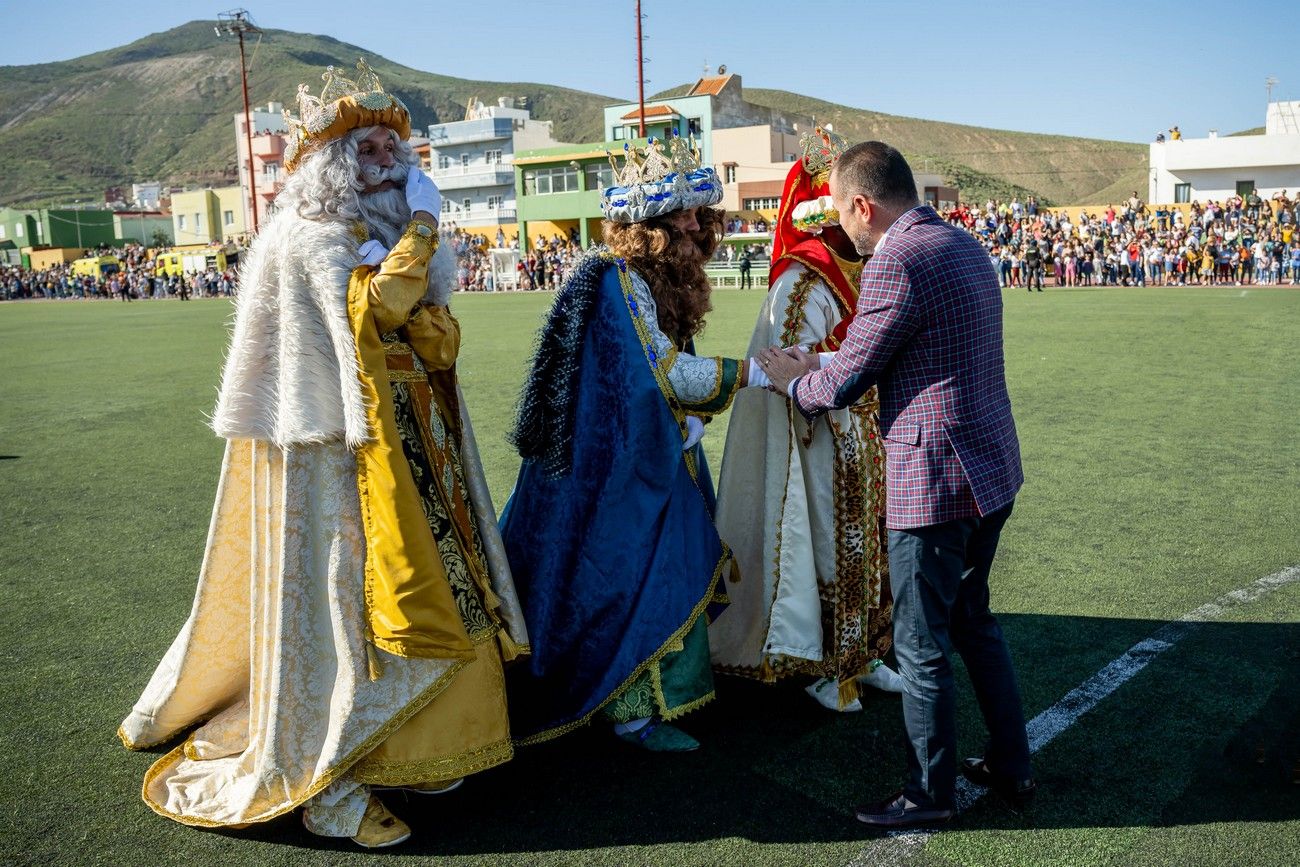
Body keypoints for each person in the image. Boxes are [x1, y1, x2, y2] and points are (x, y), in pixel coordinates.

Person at [118, 60, 528, 848]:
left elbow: (430, 330)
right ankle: (331, 783)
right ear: (334, 163)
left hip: (411, 446)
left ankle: (412, 746)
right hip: (336, 452)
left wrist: (421, 283)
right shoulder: (309, 238)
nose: (387, 160)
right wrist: (423, 232)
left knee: (437, 589)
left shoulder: (378, 235)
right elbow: (376, 315)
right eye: (369, 148)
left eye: (392, 148)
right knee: (346, 604)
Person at [759, 141, 1034, 829]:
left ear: (863, 204)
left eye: (841, 217)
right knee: (975, 619)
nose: (842, 235)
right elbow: (903, 345)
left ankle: (929, 791)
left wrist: (794, 377)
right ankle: (1012, 760)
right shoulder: (962, 244)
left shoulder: (896, 261)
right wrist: (820, 358)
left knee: (920, 642)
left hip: (935, 482)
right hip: (990, 469)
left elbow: (848, 379)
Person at [501, 135, 766, 752]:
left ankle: (649, 701)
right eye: (683, 217)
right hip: (612, 469)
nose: (697, 228)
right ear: (647, 228)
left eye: (700, 215)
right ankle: (632, 710)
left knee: (661, 565)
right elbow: (663, 376)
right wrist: (753, 374)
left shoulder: (647, 283)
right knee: (630, 573)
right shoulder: (618, 283)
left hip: (646, 453)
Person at [711, 127, 903, 713]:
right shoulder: (806, 275)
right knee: (829, 551)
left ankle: (864, 655)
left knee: (872, 552)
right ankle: (825, 666)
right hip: (822, 439)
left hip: (870, 433)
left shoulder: (876, 260)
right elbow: (789, 368)